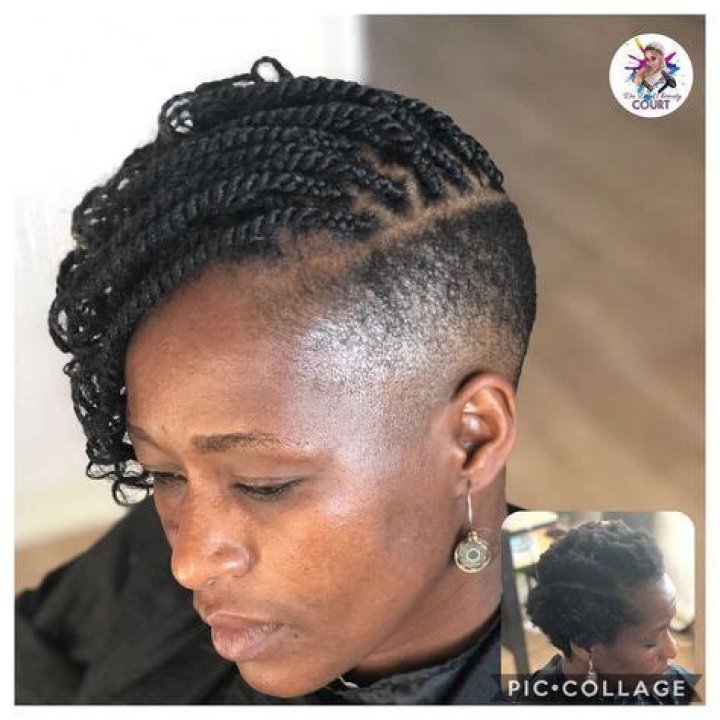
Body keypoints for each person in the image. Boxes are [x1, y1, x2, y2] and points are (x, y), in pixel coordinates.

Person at [16, 56, 536, 704]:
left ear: (473, 438)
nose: (190, 563)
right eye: (163, 473)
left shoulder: (615, 647)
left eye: (266, 485)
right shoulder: (164, 547)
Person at [514, 520, 697, 705]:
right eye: (651, 642)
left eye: (668, 628)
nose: (673, 650)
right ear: (585, 646)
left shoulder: (678, 686)